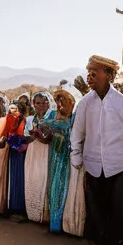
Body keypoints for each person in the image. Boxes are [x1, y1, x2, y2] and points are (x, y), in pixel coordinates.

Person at [70, 55, 123, 245]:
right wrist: (76, 155)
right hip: (92, 161)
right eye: (88, 72)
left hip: (120, 161)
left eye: (94, 72)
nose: (89, 76)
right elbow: (77, 132)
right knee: (96, 200)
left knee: (118, 203)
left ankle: (117, 242)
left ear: (108, 75)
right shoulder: (84, 103)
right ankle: (98, 236)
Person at [40, 87, 81, 234]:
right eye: (58, 101)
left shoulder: (76, 118)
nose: (60, 104)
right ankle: (56, 223)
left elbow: (72, 133)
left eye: (64, 100)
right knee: (56, 187)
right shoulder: (54, 117)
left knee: (69, 189)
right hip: (57, 158)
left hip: (72, 159)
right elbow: (43, 125)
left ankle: (68, 223)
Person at [24, 91, 56, 223]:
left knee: (45, 178)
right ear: (33, 105)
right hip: (33, 151)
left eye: (44, 102)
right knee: (33, 178)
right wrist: (33, 135)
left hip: (46, 151)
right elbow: (26, 137)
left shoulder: (53, 116)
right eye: (38, 103)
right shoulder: (30, 119)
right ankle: (33, 213)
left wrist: (42, 136)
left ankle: (45, 214)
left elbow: (52, 136)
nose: (41, 105)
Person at [5, 101, 29, 220]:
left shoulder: (25, 121)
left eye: (14, 109)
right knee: (13, 179)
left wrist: (24, 145)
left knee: (21, 179)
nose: (12, 111)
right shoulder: (12, 121)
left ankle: (21, 209)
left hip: (22, 153)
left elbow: (27, 136)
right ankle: (14, 207)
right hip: (13, 152)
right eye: (10, 109)